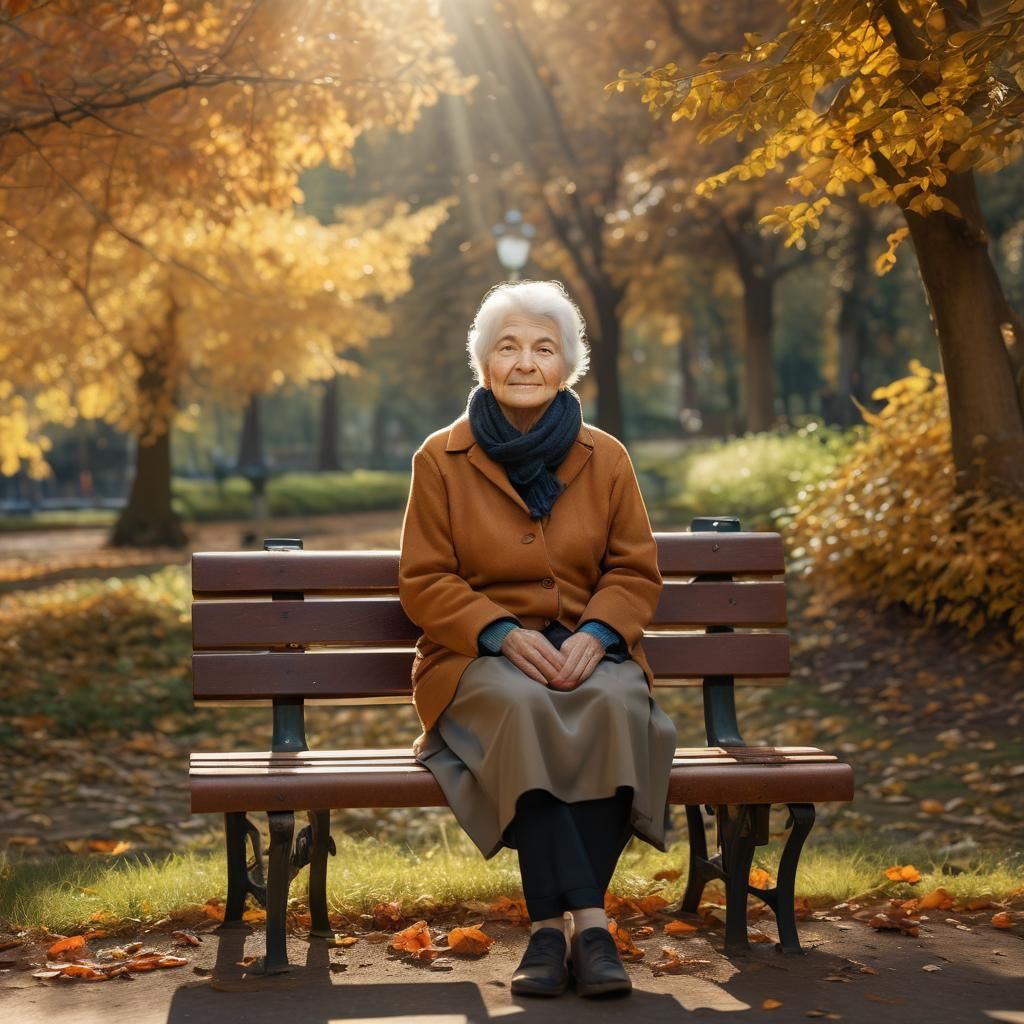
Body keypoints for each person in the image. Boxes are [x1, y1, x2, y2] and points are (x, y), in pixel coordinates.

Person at [398, 280, 676, 999]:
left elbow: (634, 570)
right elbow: (424, 580)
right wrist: (495, 631)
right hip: (473, 659)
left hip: (590, 645)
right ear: (484, 363)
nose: (526, 362)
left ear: (567, 365)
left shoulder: (606, 457)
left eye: (544, 348)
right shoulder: (441, 458)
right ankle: (590, 924)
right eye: (509, 347)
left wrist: (598, 632)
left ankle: (548, 935)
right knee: (523, 710)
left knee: (616, 705)